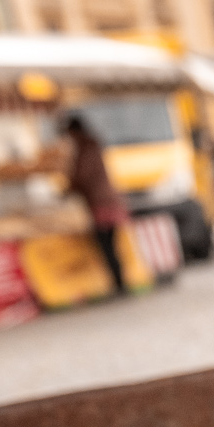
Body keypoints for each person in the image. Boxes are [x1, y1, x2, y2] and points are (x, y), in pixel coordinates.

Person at [61, 114, 127, 293]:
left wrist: (68, 188)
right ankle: (119, 282)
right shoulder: (90, 146)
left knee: (107, 245)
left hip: (102, 204)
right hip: (105, 201)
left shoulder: (87, 148)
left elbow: (83, 176)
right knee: (108, 245)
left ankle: (119, 283)